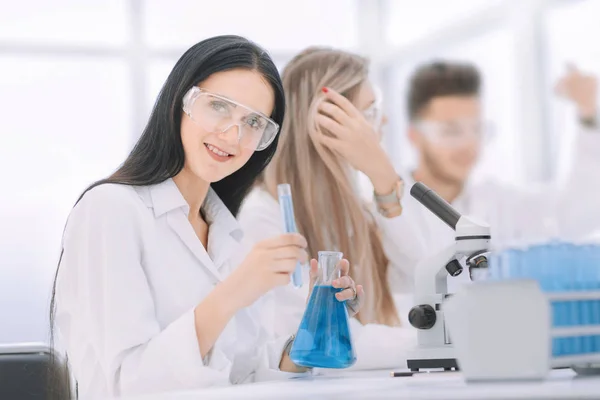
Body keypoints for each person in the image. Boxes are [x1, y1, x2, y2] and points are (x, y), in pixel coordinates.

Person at [49, 36, 363, 398]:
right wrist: (233, 292)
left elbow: (240, 374)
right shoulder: (110, 210)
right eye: (218, 106)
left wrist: (315, 330)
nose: (233, 134)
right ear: (180, 101)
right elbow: (127, 384)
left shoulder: (228, 231)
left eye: (254, 122)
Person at [238, 47, 416, 371]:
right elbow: (324, 340)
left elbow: (420, 274)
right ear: (328, 125)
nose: (384, 121)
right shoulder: (264, 217)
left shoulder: (356, 210)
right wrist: (442, 344)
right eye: (371, 111)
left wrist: (383, 176)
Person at [387, 61, 600, 293]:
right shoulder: (387, 209)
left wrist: (588, 114)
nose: (468, 144)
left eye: (476, 129)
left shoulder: (500, 203)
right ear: (415, 136)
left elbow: (577, 214)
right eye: (450, 131)